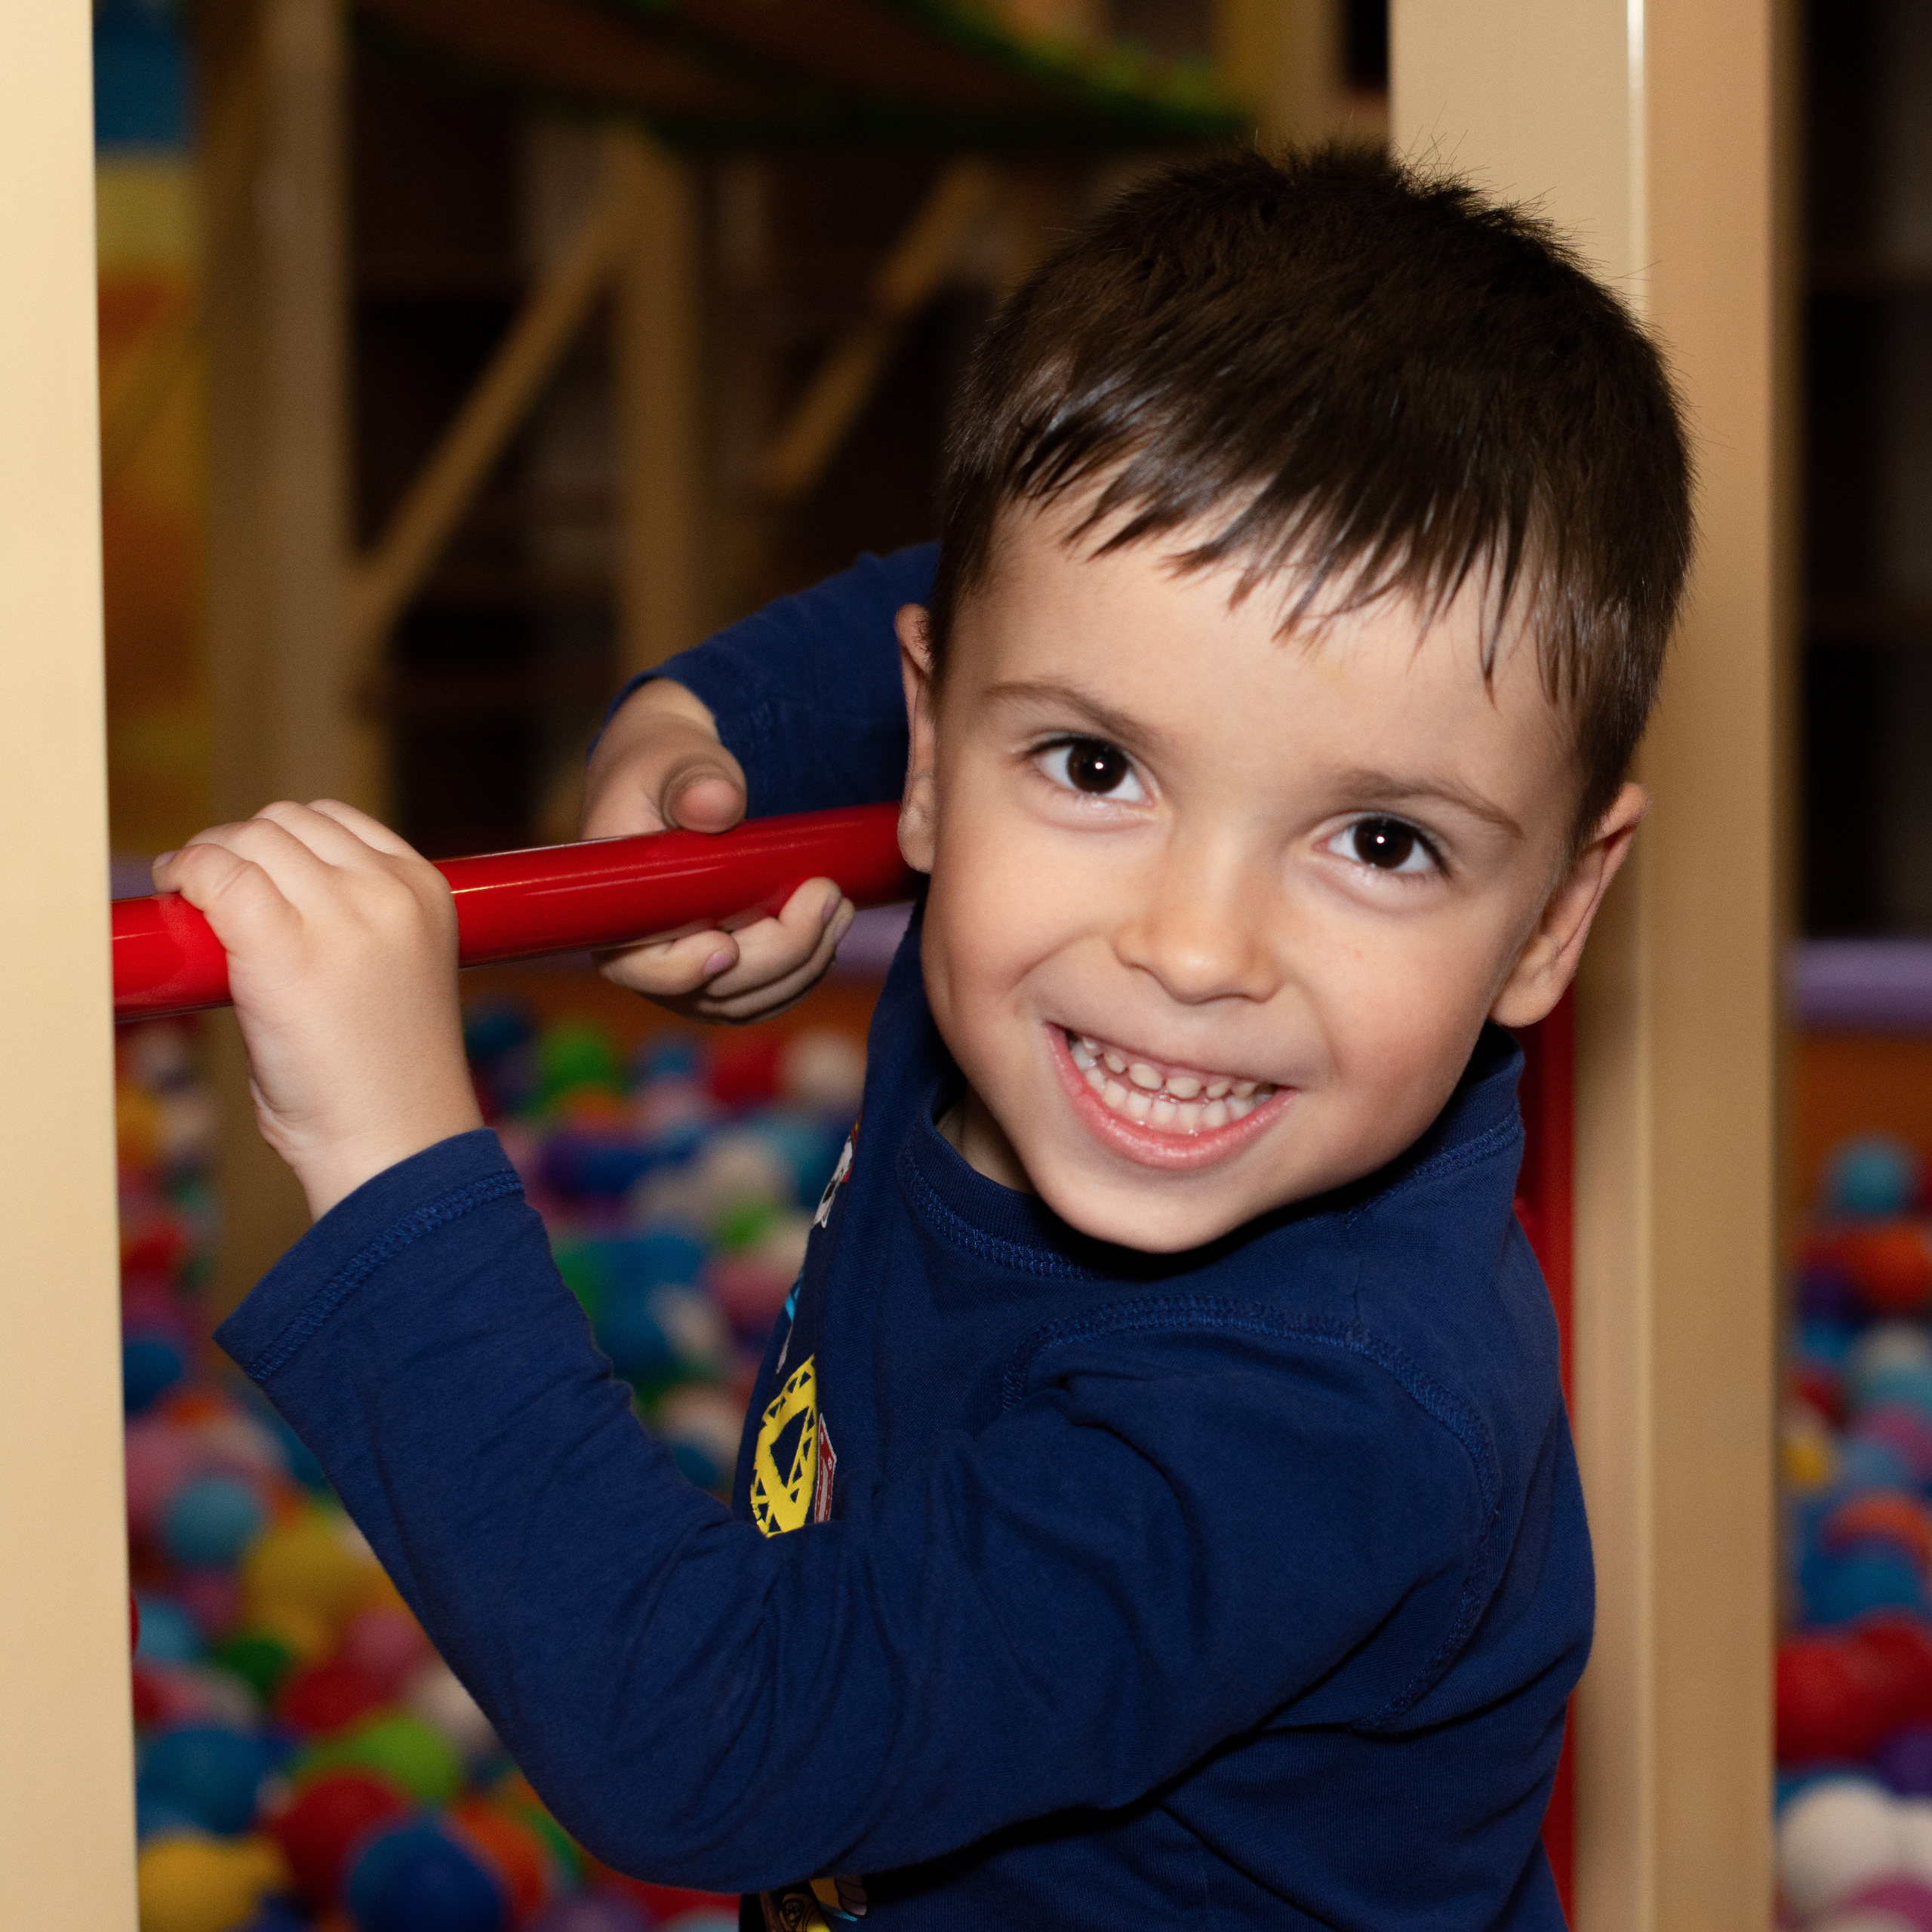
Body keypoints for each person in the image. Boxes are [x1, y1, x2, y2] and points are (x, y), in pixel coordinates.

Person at [158, 146, 1692, 1929]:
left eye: (1380, 842)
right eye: (1098, 764)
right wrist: (702, 724)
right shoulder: (1022, 940)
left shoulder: (1330, 1404)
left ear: (1554, 917)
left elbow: (705, 1735)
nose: (1189, 949)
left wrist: (387, 1149)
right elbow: (977, 579)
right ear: (931, 742)